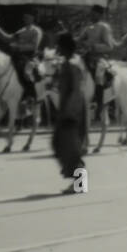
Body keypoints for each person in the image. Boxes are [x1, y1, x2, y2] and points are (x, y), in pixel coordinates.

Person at [51, 32, 88, 193]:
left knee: (71, 148)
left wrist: (68, 112)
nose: (56, 48)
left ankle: (80, 185)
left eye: (59, 45)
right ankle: (77, 182)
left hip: (72, 111)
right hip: (66, 109)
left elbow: (76, 91)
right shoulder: (67, 63)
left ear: (64, 47)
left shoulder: (72, 64)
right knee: (59, 144)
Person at [76, 5, 117, 103]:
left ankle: (99, 102)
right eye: (91, 13)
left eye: (94, 14)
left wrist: (95, 47)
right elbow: (80, 39)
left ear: (100, 15)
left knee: (99, 77)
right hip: (85, 57)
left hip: (98, 58)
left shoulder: (104, 27)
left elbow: (109, 46)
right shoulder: (88, 27)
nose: (92, 15)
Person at [0, 11, 44, 86]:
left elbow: (33, 46)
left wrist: (18, 47)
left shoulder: (36, 31)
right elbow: (8, 38)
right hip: (18, 56)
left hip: (30, 56)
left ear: (33, 18)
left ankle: (29, 92)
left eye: (28, 17)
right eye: (25, 17)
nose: (26, 19)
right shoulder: (21, 31)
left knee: (26, 72)